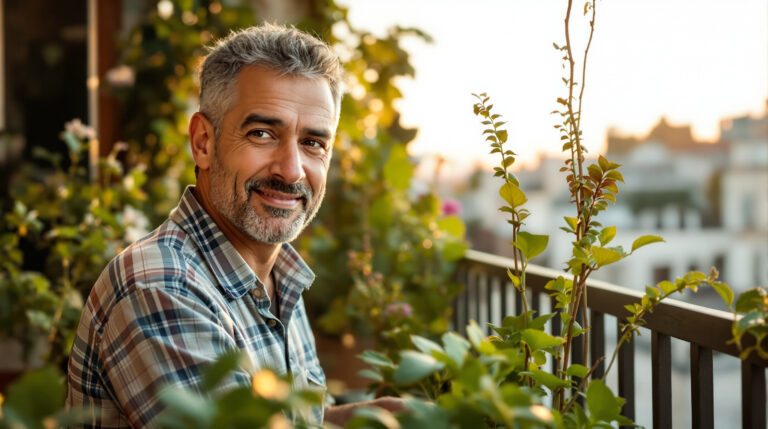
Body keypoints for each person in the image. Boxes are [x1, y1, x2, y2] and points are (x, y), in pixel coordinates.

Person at [66, 23, 401, 428]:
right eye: (262, 133)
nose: (292, 171)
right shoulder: (162, 287)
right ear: (203, 142)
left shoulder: (277, 275)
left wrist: (378, 416)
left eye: (313, 143)